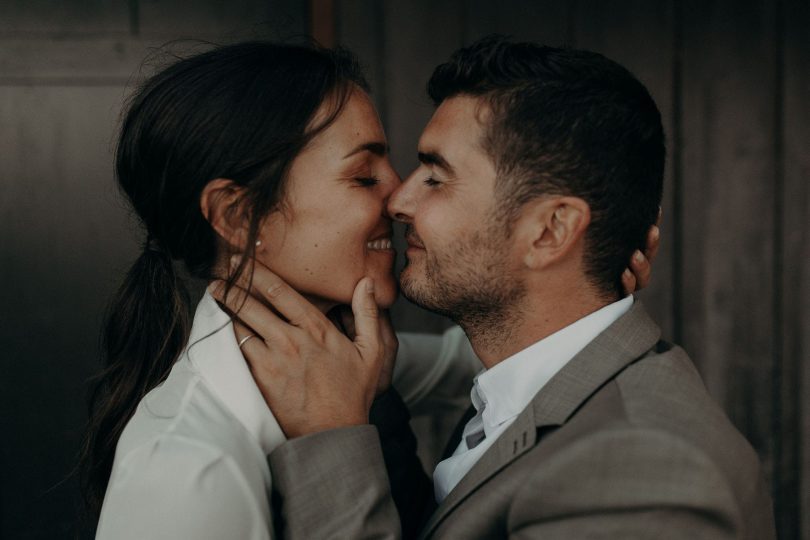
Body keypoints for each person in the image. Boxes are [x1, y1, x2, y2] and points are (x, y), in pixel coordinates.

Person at [81, 40, 654, 539]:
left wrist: (580, 281)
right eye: (362, 176)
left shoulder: (357, 354)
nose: (400, 197)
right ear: (236, 216)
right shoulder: (184, 469)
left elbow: (476, 364)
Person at [214, 37, 777, 539]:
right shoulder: (532, 384)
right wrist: (370, 406)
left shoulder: (643, 475)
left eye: (436, 177)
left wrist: (332, 438)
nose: (399, 202)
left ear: (550, 231)